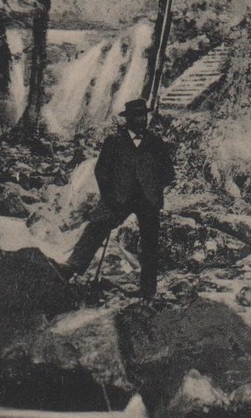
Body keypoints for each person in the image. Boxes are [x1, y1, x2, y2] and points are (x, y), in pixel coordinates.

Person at [66, 98, 175, 302]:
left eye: (143, 115)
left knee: (150, 243)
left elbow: (168, 173)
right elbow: (101, 171)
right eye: (136, 116)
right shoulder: (114, 142)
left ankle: (147, 290)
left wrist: (153, 188)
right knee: (97, 226)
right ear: (128, 119)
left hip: (147, 200)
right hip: (119, 197)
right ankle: (73, 268)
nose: (141, 120)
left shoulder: (156, 143)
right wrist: (109, 196)